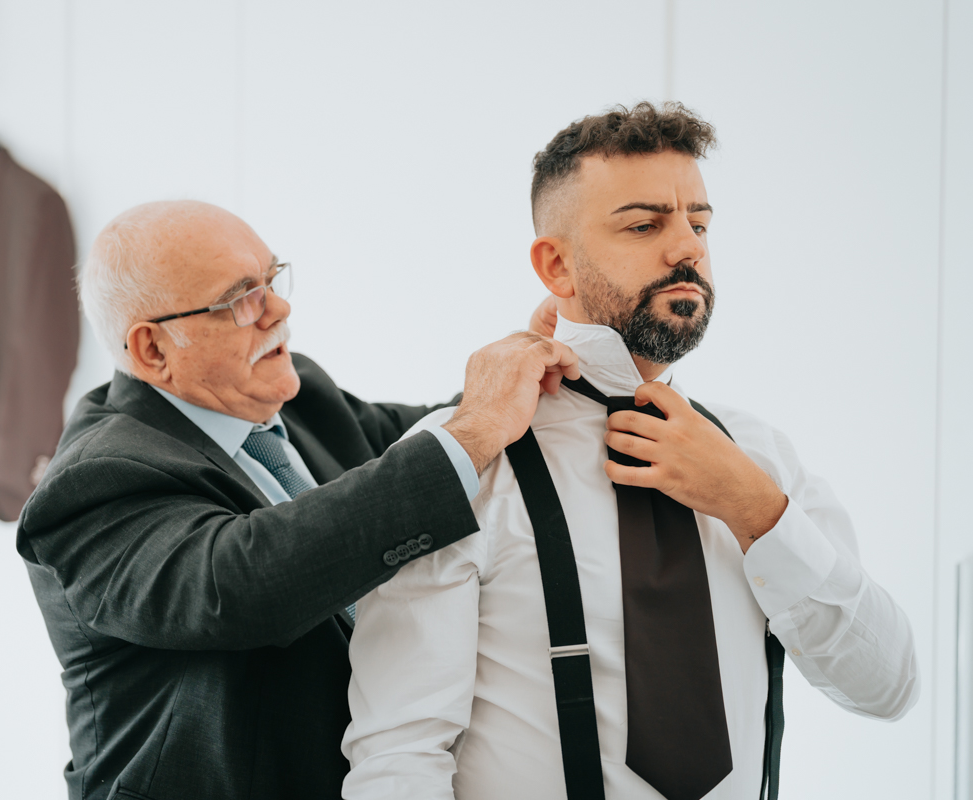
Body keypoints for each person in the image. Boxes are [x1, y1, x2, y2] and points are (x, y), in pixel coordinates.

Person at [341, 102, 919, 800]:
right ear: (557, 265)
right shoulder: (466, 464)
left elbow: (888, 686)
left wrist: (756, 510)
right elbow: (399, 755)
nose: (687, 250)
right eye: (645, 225)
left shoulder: (759, 456)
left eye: (698, 224)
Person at [15, 199, 578, 800]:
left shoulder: (297, 394)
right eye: (241, 299)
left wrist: (537, 354)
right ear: (153, 349)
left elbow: (431, 439)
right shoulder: (95, 480)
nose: (279, 309)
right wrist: (472, 432)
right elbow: (242, 583)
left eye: (271, 279)